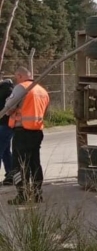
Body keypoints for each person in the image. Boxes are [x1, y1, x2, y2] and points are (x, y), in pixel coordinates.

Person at [2, 67, 49, 204]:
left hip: (22, 131)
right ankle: (37, 194)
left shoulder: (21, 88)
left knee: (19, 165)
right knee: (35, 163)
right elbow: (44, 111)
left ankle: (22, 195)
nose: (16, 79)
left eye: (17, 77)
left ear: (20, 75)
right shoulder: (42, 90)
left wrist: (12, 112)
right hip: (37, 131)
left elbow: (8, 107)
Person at [0, 77, 15, 186]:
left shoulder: (6, 90)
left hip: (6, 124)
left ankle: (11, 174)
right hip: (5, 124)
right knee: (5, 151)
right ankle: (11, 174)